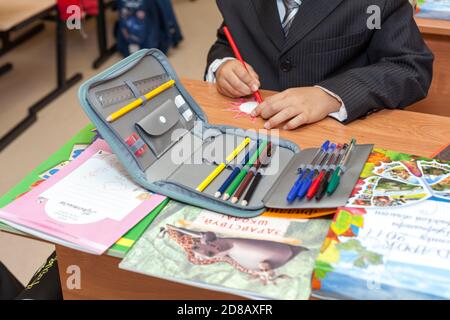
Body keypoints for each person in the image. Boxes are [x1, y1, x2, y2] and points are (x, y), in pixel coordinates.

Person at [205, 0, 433, 130]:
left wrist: (331, 96)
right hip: (253, 132)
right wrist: (223, 65)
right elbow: (228, 37)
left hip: (338, 138)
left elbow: (410, 67)